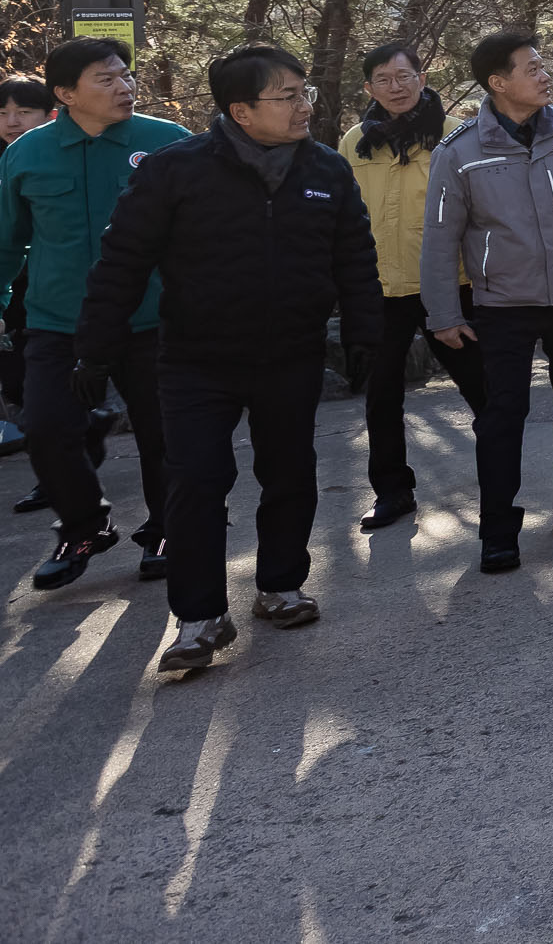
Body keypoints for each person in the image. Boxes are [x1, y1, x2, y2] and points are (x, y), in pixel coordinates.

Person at [78, 45, 384, 672]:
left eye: (307, 93)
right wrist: (96, 351)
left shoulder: (326, 169)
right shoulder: (174, 171)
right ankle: (198, 618)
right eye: (288, 95)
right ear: (240, 111)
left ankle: (279, 585)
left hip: (291, 355)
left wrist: (365, 338)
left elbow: (354, 259)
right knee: (195, 481)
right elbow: (122, 264)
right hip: (195, 359)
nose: (304, 106)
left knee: (291, 473)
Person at [421, 29, 553, 573]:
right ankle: (498, 529)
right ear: (498, 83)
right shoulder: (460, 152)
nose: (546, 75)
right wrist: (443, 313)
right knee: (502, 417)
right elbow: (441, 237)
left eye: (545, 66)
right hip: (502, 304)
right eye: (532, 67)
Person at [0, 37, 188, 590]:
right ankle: (84, 526)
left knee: (164, 435)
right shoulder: (27, 153)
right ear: (65, 94)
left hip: (151, 320)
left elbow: (211, 231)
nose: (125, 86)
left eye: (126, 75)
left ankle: (166, 528)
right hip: (59, 322)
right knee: (46, 427)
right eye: (105, 80)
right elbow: (8, 242)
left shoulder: (168, 142)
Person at [349, 44, 489, 531]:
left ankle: (499, 481)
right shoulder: (355, 142)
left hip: (452, 284)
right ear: (368, 89)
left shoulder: (458, 136)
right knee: (381, 395)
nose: (395, 87)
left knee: (484, 389)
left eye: (404, 77)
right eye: (383, 80)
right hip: (382, 287)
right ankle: (392, 490)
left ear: (422, 78)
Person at [0, 74, 53, 464]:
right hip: (8, 285)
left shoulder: (58, 155)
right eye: (2, 113)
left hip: (48, 286)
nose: (12, 121)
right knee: (18, 384)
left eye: (24, 112)